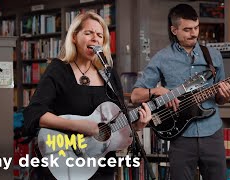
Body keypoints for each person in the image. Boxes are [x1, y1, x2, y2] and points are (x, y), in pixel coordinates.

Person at [23, 12, 152, 180]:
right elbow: (34, 114)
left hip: (102, 166)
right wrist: (79, 126)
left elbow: (116, 123)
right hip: (64, 160)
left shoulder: (109, 74)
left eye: (100, 35)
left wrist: (136, 126)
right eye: (88, 33)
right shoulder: (59, 70)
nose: (95, 39)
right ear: (75, 37)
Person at [131, 4, 230, 180]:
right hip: (180, 135)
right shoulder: (162, 58)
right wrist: (157, 91)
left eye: (196, 28)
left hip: (212, 132)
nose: (193, 33)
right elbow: (135, 95)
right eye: (187, 29)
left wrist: (226, 95)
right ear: (174, 30)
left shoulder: (213, 55)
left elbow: (220, 99)